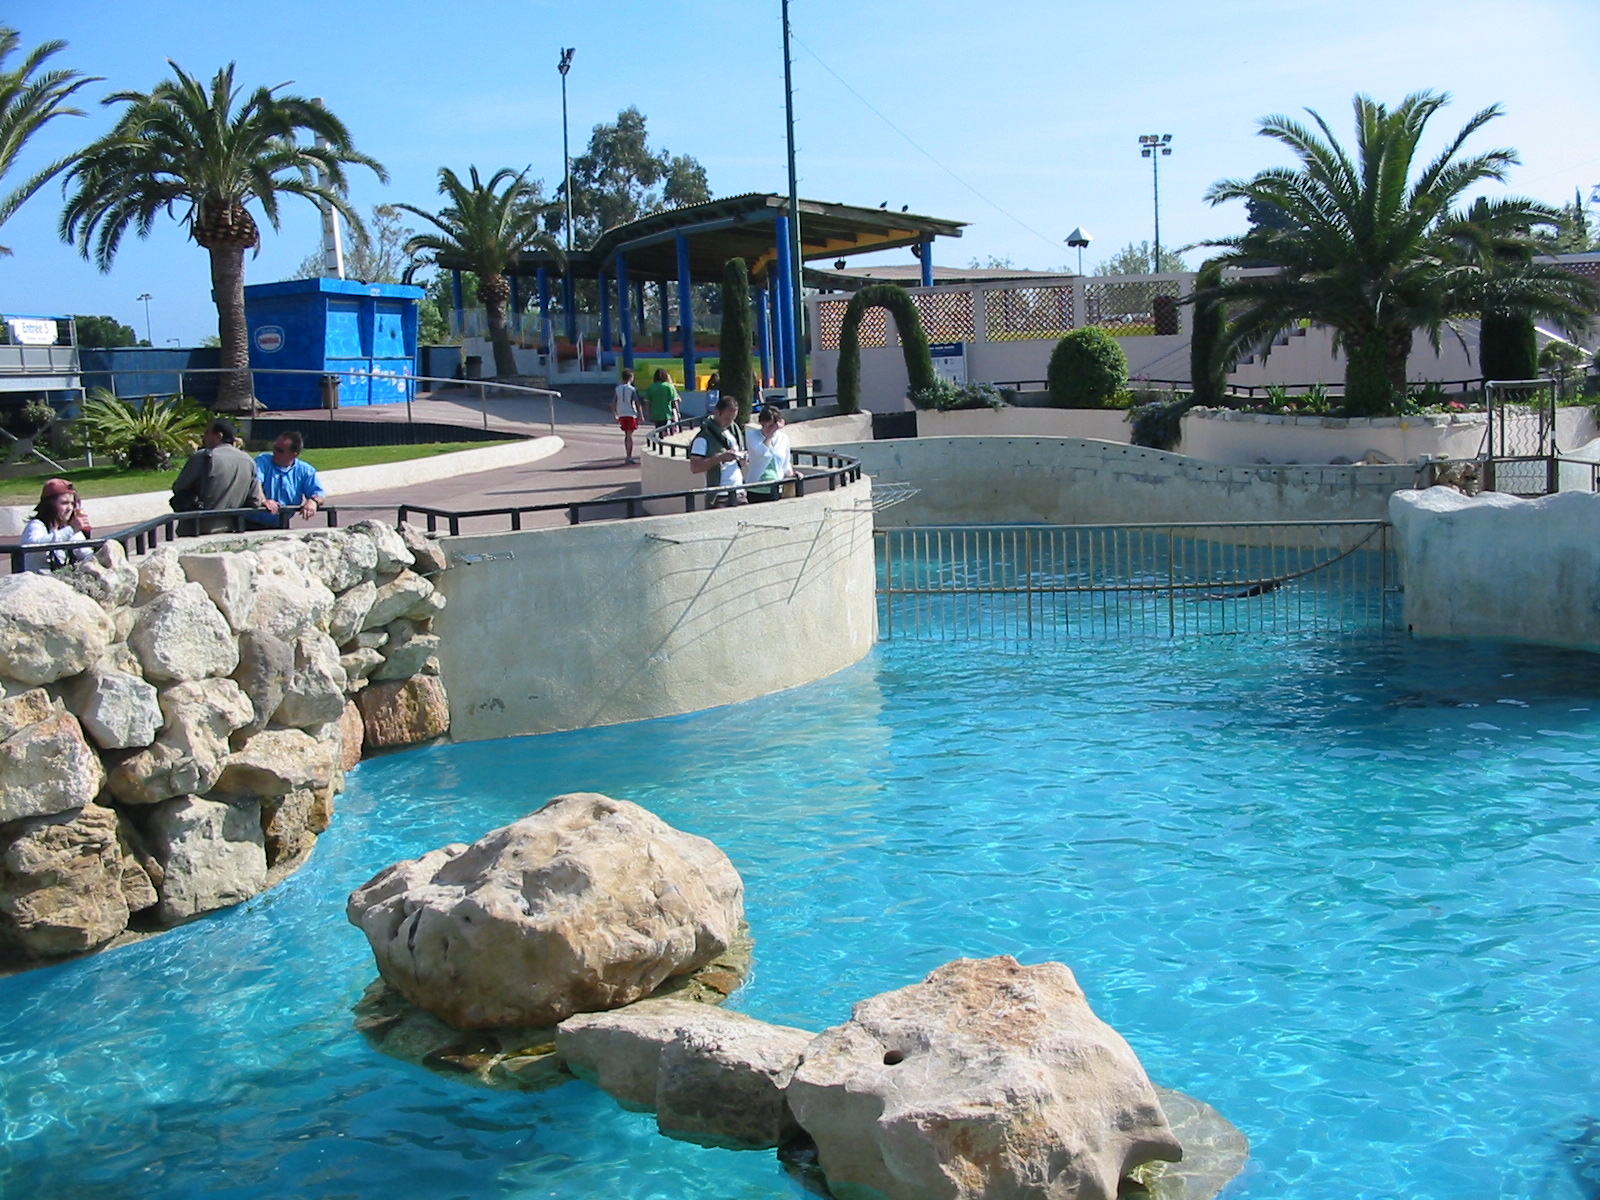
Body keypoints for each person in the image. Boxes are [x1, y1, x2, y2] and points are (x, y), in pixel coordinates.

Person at [170, 418, 265, 533]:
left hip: (198, 528)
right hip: (233, 528)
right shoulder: (249, 461)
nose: (204, 437)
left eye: (207, 433)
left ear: (219, 436)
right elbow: (255, 500)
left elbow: (179, 487)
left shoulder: (204, 457)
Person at [20, 478, 93, 572]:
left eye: (72, 503)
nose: (70, 508)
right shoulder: (36, 525)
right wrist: (71, 529)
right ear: (50, 505)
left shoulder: (69, 528)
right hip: (39, 583)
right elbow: (34, 546)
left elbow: (86, 555)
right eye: (64, 503)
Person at [255, 430, 327, 525]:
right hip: (252, 523)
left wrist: (313, 501)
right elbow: (255, 482)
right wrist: (263, 500)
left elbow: (319, 493)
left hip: (281, 524)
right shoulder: (262, 461)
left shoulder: (305, 470)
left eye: (280, 450)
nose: (274, 452)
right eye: (274, 447)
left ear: (294, 454)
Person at [689, 395, 748, 507]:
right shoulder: (703, 438)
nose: (730, 423)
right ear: (717, 412)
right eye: (727, 419)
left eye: (732, 419)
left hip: (739, 491)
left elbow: (739, 464)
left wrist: (743, 459)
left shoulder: (733, 432)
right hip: (719, 495)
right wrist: (720, 458)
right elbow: (695, 467)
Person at [745, 406, 799, 502]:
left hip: (777, 488)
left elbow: (785, 464)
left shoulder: (783, 438)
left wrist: (792, 475)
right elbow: (764, 454)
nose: (771, 429)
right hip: (756, 489)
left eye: (773, 426)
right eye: (768, 426)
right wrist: (769, 435)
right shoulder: (752, 436)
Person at [612, 368, 644, 464]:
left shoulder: (617, 389)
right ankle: (628, 456)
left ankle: (628, 454)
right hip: (630, 413)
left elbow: (613, 402)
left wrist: (615, 414)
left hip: (622, 413)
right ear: (631, 378)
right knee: (629, 435)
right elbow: (637, 403)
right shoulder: (632, 389)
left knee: (627, 434)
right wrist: (641, 415)